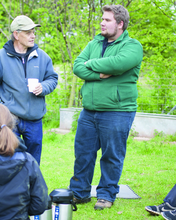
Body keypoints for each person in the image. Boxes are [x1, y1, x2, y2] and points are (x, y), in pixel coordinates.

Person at [69, 5, 143, 211]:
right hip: (89, 111)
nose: (102, 22)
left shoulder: (132, 46)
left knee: (111, 155)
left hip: (117, 111)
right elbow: (77, 66)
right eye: (102, 19)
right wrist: (98, 73)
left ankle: (106, 194)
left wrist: (90, 64)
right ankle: (79, 192)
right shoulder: (94, 42)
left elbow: (118, 64)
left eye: (107, 20)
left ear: (120, 24)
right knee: (83, 153)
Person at [0, 15, 58, 165]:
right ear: (16, 34)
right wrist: (2, 109)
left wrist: (43, 87)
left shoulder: (42, 57)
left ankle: (31, 187)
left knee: (33, 162)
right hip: (11, 120)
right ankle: (10, 187)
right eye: (28, 32)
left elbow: (52, 79)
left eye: (34, 32)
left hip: (35, 120)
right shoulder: (0, 58)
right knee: (9, 159)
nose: (33, 35)